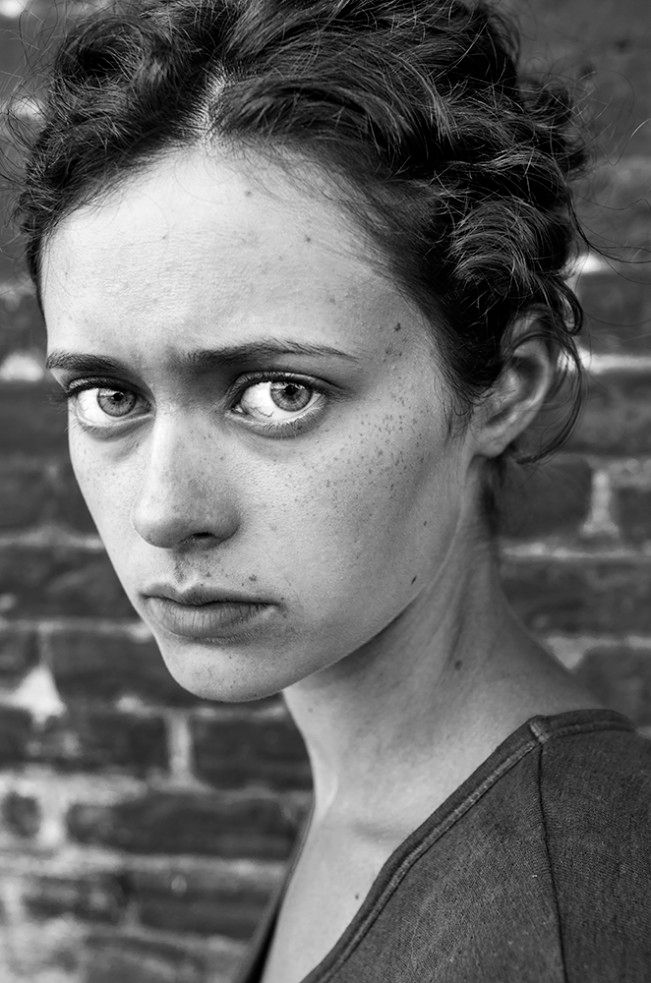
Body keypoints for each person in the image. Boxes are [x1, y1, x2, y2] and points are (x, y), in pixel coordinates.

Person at [13, 1, 649, 981]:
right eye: (109, 393)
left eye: (278, 391)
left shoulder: (560, 924)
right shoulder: (400, 800)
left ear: (502, 390)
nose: (166, 509)